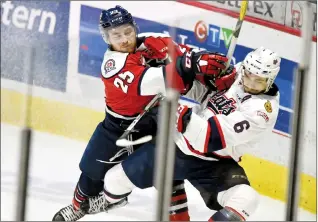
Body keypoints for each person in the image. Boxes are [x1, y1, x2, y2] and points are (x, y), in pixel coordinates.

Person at [52, 5, 236, 221]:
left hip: (158, 123)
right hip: (119, 127)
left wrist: (214, 79)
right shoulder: (112, 66)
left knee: (168, 173)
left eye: (128, 31)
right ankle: (77, 207)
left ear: (135, 28)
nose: (124, 39)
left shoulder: (155, 42)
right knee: (92, 171)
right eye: (116, 35)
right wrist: (190, 65)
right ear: (106, 38)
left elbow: (189, 61)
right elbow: (157, 80)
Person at [85, 47, 281, 221]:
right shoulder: (239, 72)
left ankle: (171, 183)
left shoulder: (262, 112)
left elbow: (209, 138)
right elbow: (203, 93)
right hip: (177, 147)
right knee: (114, 181)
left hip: (214, 163)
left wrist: (179, 112)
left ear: (270, 81)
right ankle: (113, 200)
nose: (250, 83)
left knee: (247, 199)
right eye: (248, 76)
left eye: (259, 81)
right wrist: (202, 81)